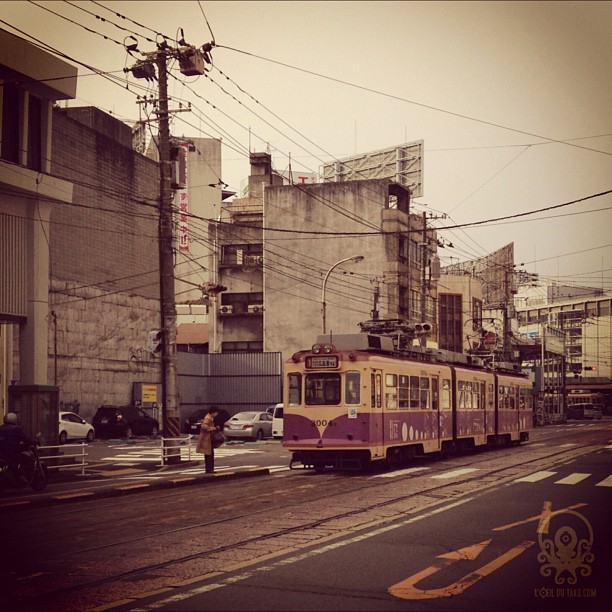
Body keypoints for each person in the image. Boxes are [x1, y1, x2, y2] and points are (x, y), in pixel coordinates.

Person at [0, 412, 34, 477]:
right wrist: (34, 442)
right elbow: (26, 439)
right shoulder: (16, 429)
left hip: (2, 454)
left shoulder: (1, 428)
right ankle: (20, 476)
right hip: (12, 453)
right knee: (26, 459)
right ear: (14, 419)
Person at [196, 406, 221, 473]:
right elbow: (204, 426)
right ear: (213, 412)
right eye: (216, 413)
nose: (217, 414)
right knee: (209, 454)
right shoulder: (208, 418)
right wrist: (213, 428)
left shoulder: (209, 417)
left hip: (207, 438)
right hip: (207, 438)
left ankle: (209, 469)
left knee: (209, 454)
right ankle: (209, 469)